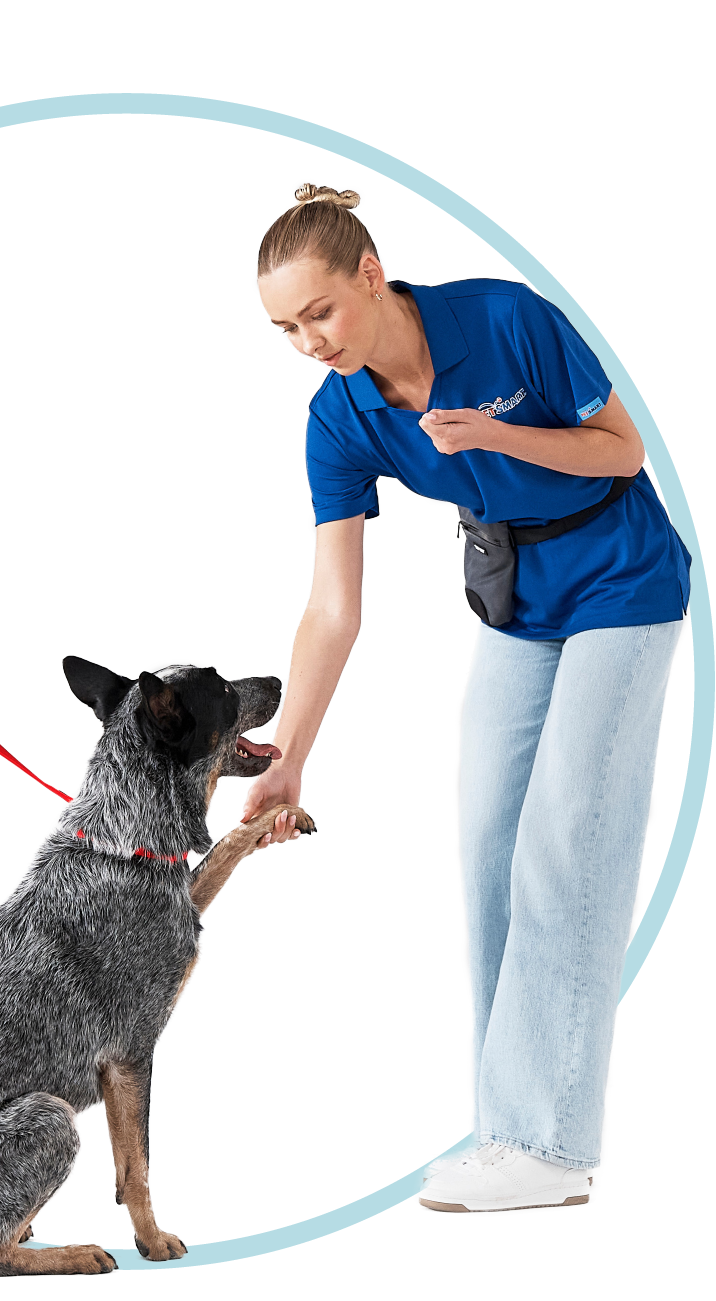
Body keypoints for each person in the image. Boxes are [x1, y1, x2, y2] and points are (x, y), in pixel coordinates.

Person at [242, 184, 690, 1212]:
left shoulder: (503, 317)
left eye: (320, 311)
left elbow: (623, 450)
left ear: (368, 273)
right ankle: (510, 1134)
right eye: (285, 328)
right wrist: (287, 753)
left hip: (622, 576)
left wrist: (492, 440)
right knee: (488, 845)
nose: (309, 340)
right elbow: (330, 606)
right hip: (513, 601)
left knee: (568, 838)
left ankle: (548, 1140)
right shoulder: (338, 418)